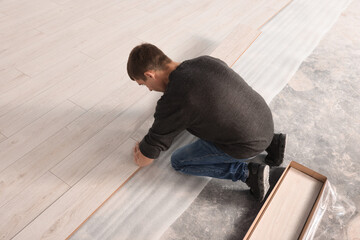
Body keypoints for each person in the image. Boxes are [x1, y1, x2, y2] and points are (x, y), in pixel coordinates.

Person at [127, 43, 286, 202]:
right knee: (213, 115)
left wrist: (142, 152)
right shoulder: (204, 61)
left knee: (180, 161)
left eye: (143, 84)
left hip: (246, 145)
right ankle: (273, 143)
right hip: (264, 122)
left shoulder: (175, 99)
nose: (148, 89)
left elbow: (147, 157)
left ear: (150, 75)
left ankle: (247, 173)